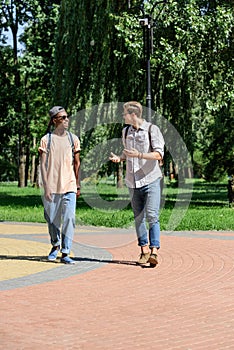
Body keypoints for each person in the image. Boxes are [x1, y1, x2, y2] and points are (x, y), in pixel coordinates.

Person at [109, 101, 164, 267]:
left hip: (151, 179)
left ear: (133, 115)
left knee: (152, 214)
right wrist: (120, 158)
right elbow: (128, 153)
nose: (122, 117)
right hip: (133, 181)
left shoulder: (152, 129)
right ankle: (144, 251)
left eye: (124, 114)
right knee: (139, 217)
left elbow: (158, 155)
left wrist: (139, 155)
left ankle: (154, 251)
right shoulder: (126, 131)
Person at [39, 106, 81, 264]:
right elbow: (42, 165)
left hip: (69, 186)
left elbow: (77, 163)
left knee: (69, 218)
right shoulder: (46, 139)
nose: (66, 120)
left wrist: (77, 184)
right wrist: (46, 186)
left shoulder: (73, 139)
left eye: (67, 117)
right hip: (52, 187)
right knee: (51, 219)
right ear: (54, 120)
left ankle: (65, 252)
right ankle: (55, 245)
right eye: (62, 117)